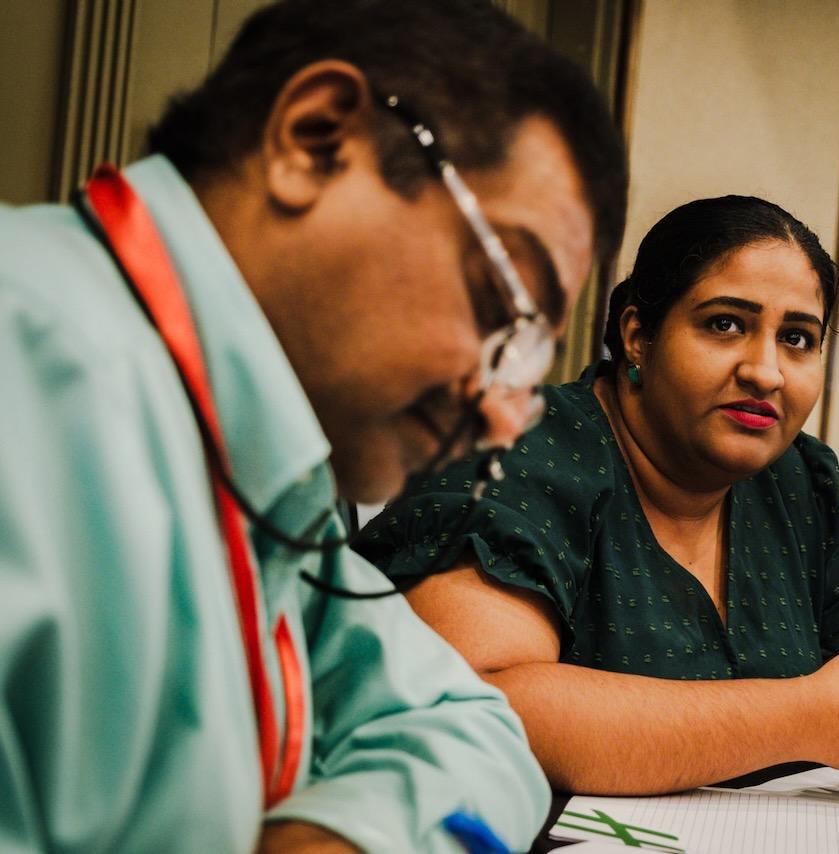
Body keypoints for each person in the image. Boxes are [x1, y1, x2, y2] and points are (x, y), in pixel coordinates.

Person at [0, 0, 626, 851]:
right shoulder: (30, 367)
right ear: (315, 139)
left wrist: (351, 834)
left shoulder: (268, 480)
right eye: (500, 303)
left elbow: (478, 727)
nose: (497, 415)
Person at [357, 195, 839, 800]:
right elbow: (483, 705)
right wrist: (811, 717)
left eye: (797, 339)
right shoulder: (518, 452)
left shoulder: (795, 482)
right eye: (726, 325)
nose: (766, 371)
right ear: (636, 336)